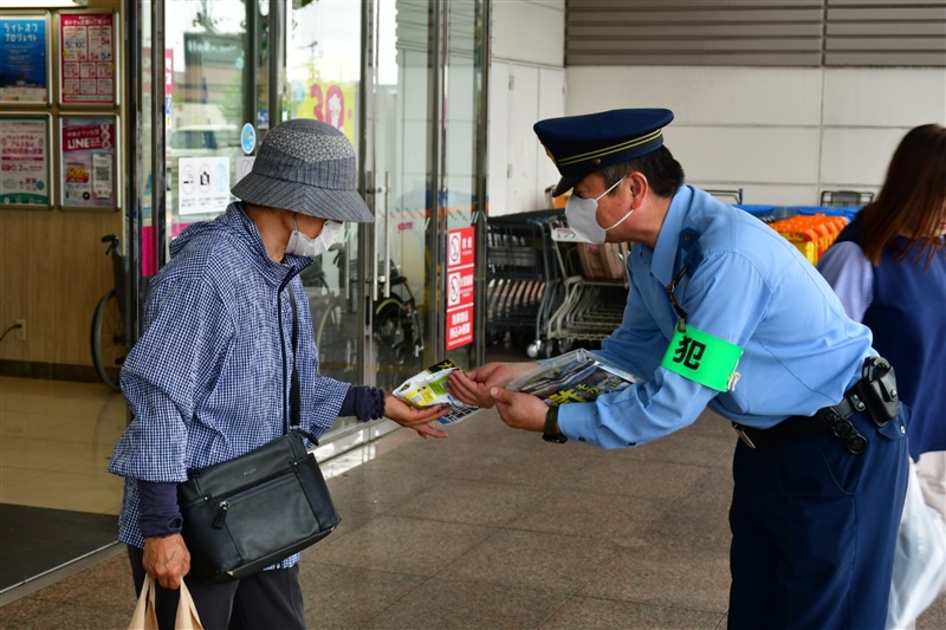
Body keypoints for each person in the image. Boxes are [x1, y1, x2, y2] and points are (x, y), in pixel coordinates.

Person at [447, 108, 911, 628]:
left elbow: (674, 398)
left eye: (583, 192)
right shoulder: (651, 252)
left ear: (634, 188)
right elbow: (633, 353)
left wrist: (555, 421)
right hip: (769, 449)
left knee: (825, 616)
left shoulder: (724, 259)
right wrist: (528, 376)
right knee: (761, 609)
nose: (572, 206)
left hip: (838, 447)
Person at [107, 118, 447, 629]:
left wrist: (381, 404)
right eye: (332, 215)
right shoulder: (207, 274)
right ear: (296, 204)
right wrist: (160, 527)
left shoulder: (279, 274)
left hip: (264, 510)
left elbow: (290, 391)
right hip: (193, 524)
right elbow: (159, 402)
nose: (336, 230)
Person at [817, 123, 946, 628]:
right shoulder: (858, 257)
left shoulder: (937, 250)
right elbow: (822, 361)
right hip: (886, 445)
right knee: (909, 562)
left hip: (936, 439)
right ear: (924, 188)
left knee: (916, 569)